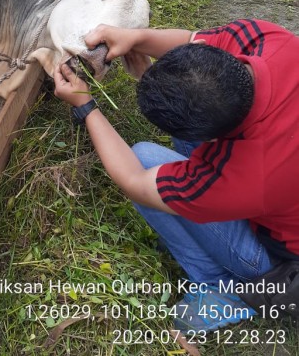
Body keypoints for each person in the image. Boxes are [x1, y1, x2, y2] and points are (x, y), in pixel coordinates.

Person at [53, 19, 299, 333]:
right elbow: (192, 37)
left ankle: (221, 285)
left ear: (211, 142)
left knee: (143, 158)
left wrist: (85, 106)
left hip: (284, 264)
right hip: (286, 175)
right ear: (205, 53)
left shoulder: (244, 178)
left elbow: (134, 180)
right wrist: (134, 37)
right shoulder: (269, 40)